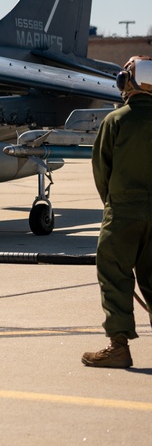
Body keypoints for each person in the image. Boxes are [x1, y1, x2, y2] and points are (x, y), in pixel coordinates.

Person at [82, 55, 152, 368]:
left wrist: (114, 207)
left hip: (123, 211)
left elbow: (102, 171)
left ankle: (119, 346)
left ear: (127, 82)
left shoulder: (116, 120)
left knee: (114, 275)